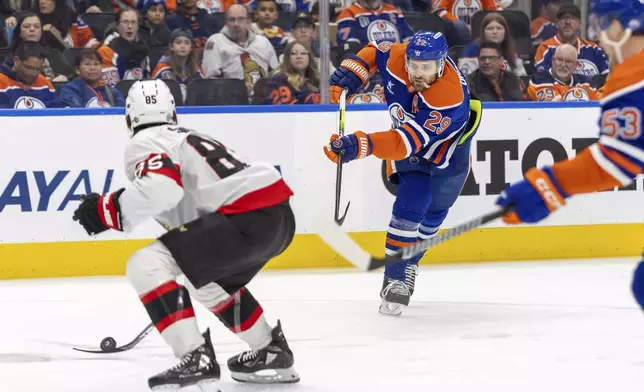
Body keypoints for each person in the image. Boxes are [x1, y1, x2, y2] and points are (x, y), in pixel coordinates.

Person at [71, 80, 300, 390]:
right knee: (205, 282)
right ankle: (269, 349)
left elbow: (162, 189)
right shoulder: (188, 136)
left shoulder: (143, 142)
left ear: (129, 119)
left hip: (244, 217)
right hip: (279, 220)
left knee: (146, 264)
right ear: (173, 115)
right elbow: (190, 205)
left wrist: (106, 211)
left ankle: (196, 356)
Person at [495, 0, 644, 309]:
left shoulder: (634, 75)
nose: (602, 39)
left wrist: (549, 184)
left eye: (605, 27)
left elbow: (613, 162)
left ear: (625, 26)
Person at [323, 31, 482, 316]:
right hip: (411, 150)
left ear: (442, 64)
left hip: (449, 154)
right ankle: (394, 278)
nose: (418, 73)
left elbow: (403, 142)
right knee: (413, 201)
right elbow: (375, 50)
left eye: (427, 67)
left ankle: (410, 263)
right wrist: (356, 70)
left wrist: (360, 145)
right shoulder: (398, 56)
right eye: (414, 65)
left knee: (433, 216)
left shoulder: (448, 98)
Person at [60, 48, 125, 107]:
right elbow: (79, 115)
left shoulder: (111, 92)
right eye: (87, 64)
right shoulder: (70, 90)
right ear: (77, 69)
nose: (92, 68)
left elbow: (123, 114)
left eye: (96, 64)